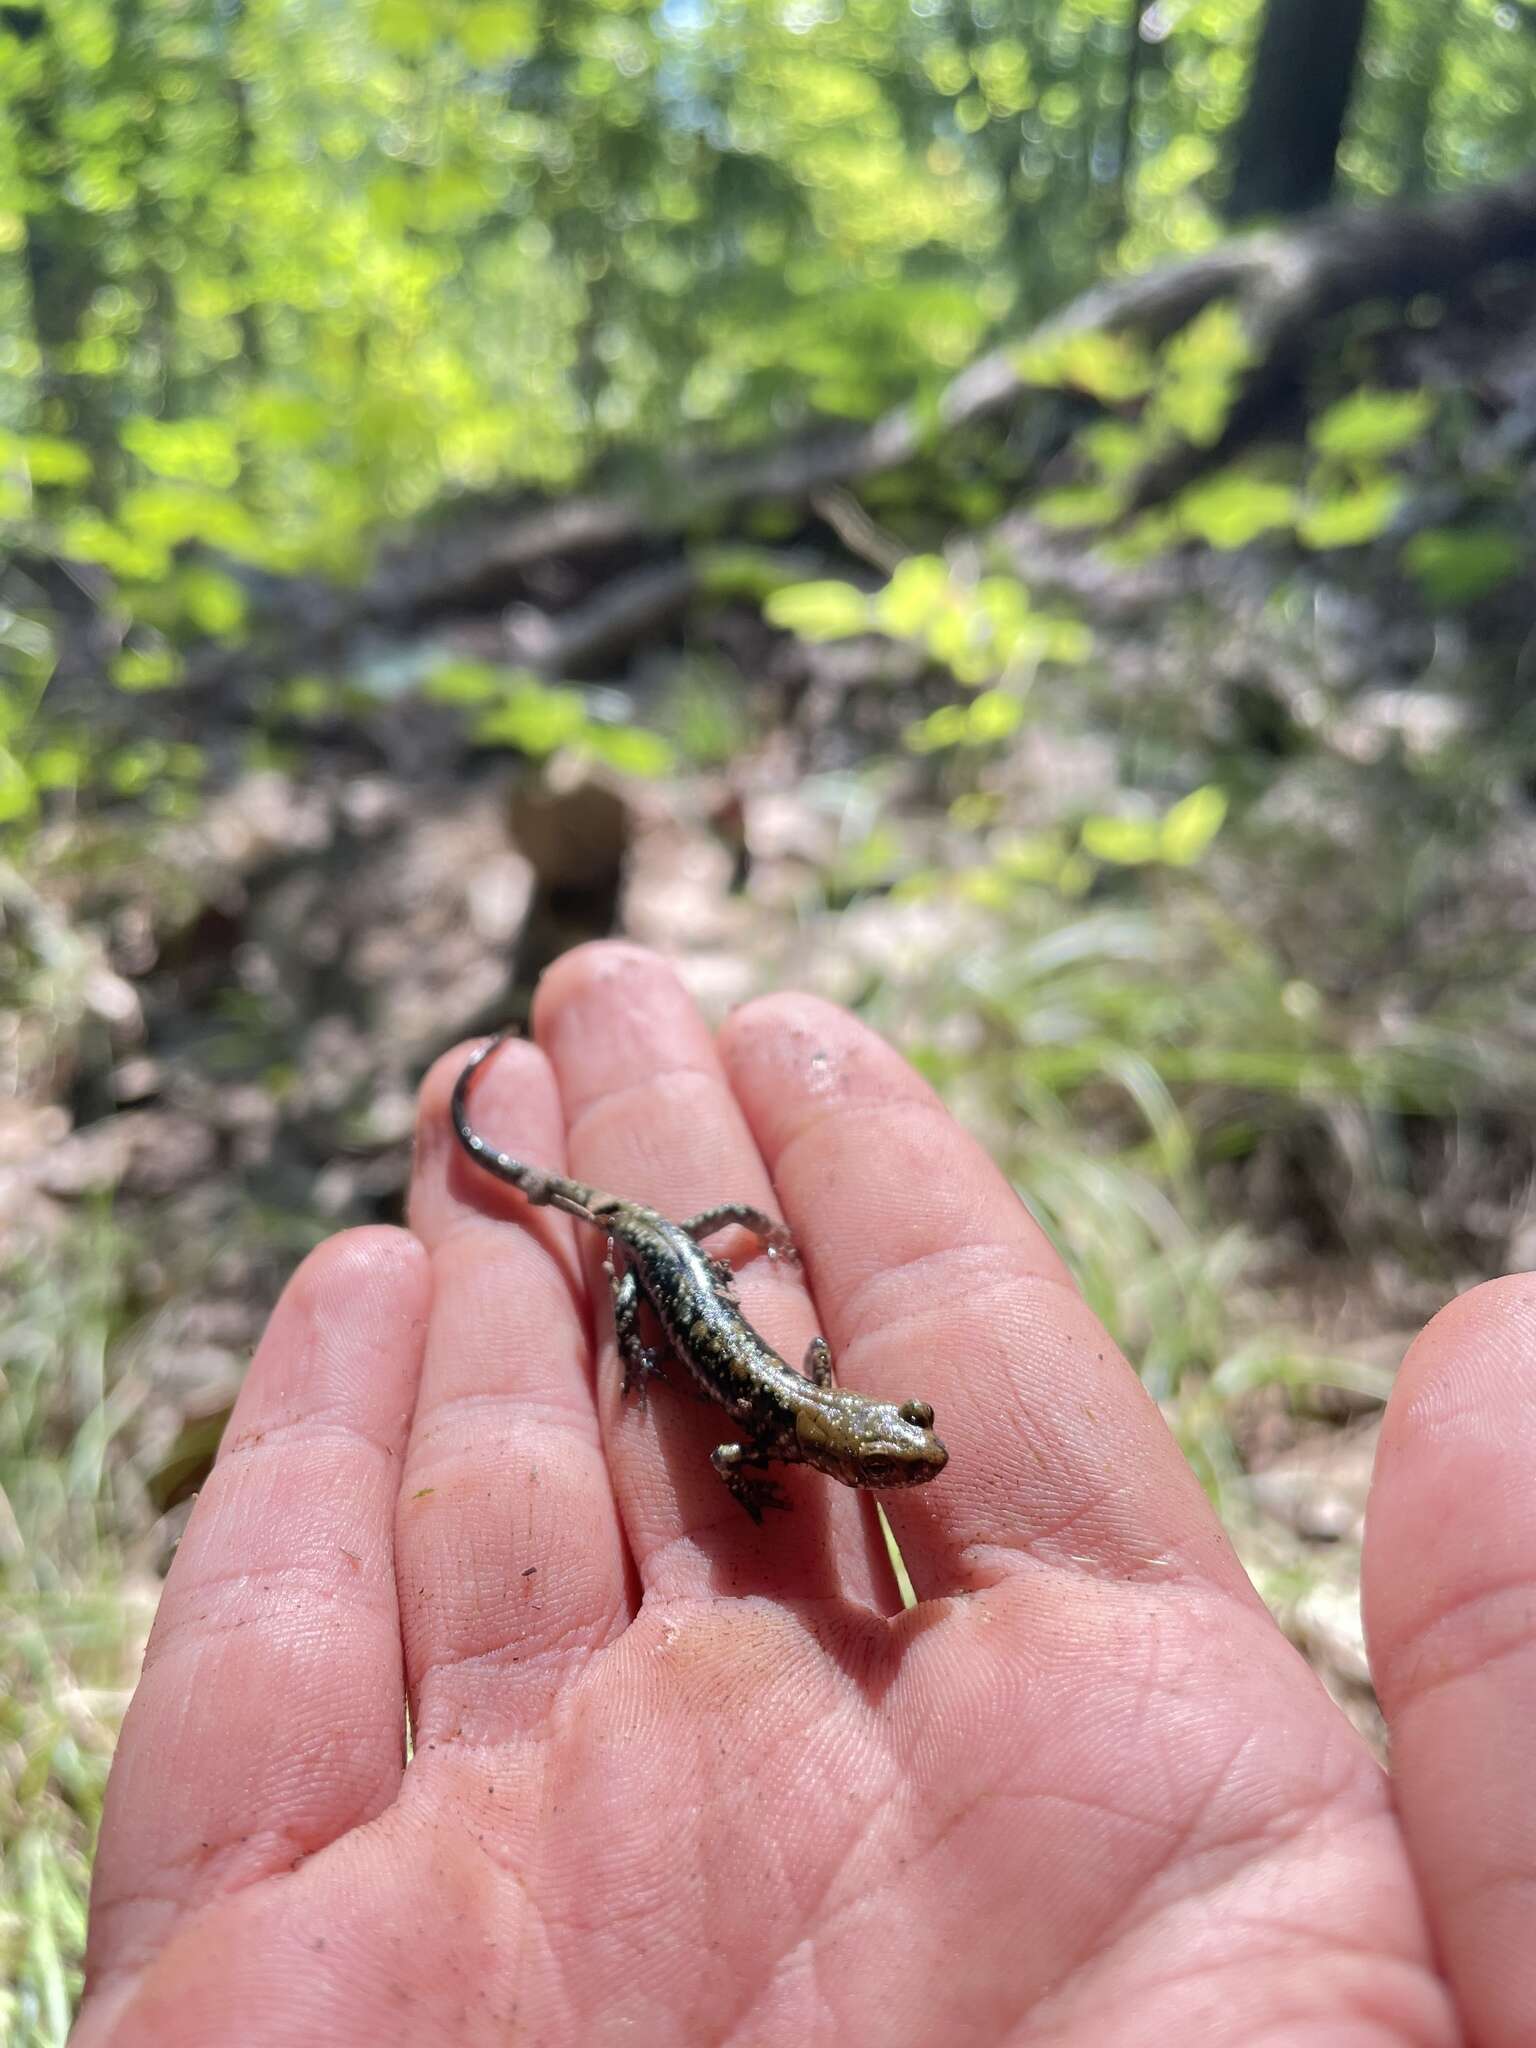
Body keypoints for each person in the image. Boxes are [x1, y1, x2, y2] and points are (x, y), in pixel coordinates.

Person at [74, 943, 1533, 2046]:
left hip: (695, 1252)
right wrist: (659, 1339)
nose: (902, 1468)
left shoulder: (809, 1414)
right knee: (650, 1287)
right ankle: (500, 1153)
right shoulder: (780, 1436)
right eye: (892, 1457)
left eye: (893, 1453)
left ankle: (555, 1180)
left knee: (676, 1260)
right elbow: (728, 1452)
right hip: (667, 1261)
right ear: (844, 1452)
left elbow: (809, 1386)